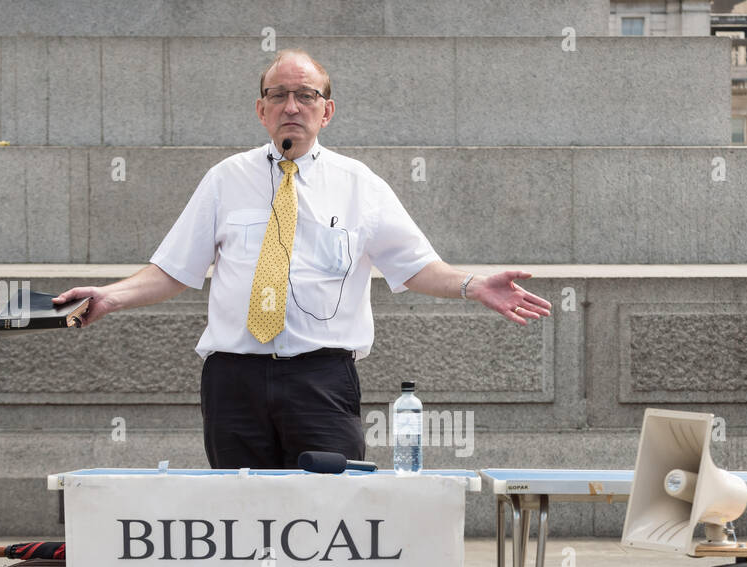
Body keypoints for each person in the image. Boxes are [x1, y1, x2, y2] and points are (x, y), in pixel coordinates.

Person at [53, 48, 551, 468]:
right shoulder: (226, 179)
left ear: (326, 111)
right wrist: (109, 297)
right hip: (235, 379)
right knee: (240, 521)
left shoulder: (360, 185)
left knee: (330, 516)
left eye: (305, 95)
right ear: (261, 109)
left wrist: (474, 285)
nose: (291, 105)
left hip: (322, 381)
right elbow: (174, 269)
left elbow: (415, 265)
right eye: (278, 95)